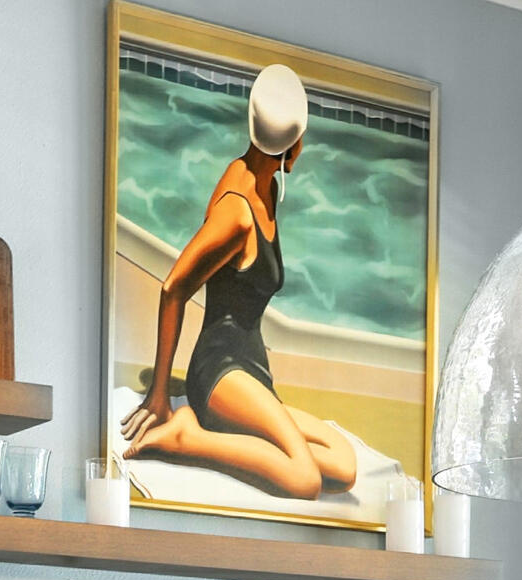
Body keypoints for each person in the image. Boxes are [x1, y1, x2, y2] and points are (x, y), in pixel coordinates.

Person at [122, 63, 358, 500]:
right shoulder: (237, 211)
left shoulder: (263, 184)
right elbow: (174, 287)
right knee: (304, 479)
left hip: (252, 369)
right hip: (220, 372)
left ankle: (228, 436)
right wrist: (158, 394)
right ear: (296, 145)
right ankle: (187, 439)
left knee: (343, 465)